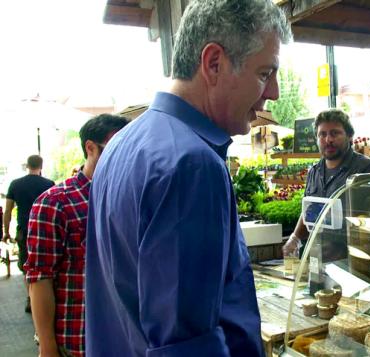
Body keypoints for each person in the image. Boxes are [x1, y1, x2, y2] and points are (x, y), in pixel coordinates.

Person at [85, 1, 291, 356]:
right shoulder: (191, 164)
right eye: (264, 73)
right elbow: (186, 346)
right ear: (213, 63)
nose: (273, 92)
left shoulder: (123, 142)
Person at [24, 114, 128, 357]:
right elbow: (40, 278)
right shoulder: (55, 202)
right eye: (115, 150)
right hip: (77, 340)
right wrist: (47, 346)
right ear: (90, 148)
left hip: (127, 340)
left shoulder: (130, 196)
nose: (125, 158)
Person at [283, 109, 370, 258]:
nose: (328, 139)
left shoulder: (366, 169)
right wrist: (295, 237)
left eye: (335, 133)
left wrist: (346, 248)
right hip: (318, 260)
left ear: (349, 136)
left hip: (354, 261)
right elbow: (309, 211)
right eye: (322, 134)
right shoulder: (314, 172)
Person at [2, 154, 55, 312]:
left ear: (27, 165)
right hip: (46, 229)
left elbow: (7, 211)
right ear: (41, 166)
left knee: (26, 264)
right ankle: (46, 298)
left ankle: (31, 298)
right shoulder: (49, 184)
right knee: (46, 264)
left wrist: (6, 232)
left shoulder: (15, 184)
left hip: (24, 229)